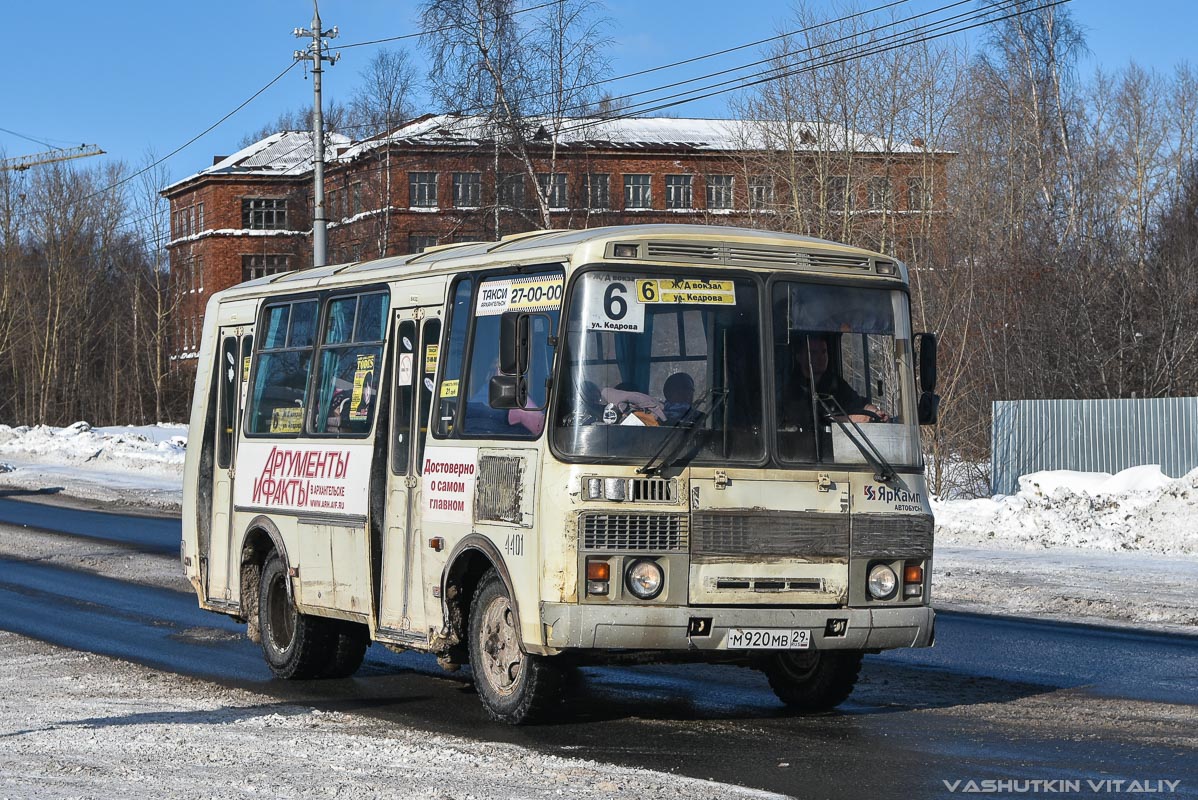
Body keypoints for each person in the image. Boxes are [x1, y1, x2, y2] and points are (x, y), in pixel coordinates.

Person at [783, 334, 889, 427]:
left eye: (824, 352)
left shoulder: (834, 382)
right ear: (799, 357)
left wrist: (875, 412)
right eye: (814, 353)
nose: (821, 357)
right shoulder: (792, 388)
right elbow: (811, 419)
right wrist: (853, 419)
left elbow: (858, 404)